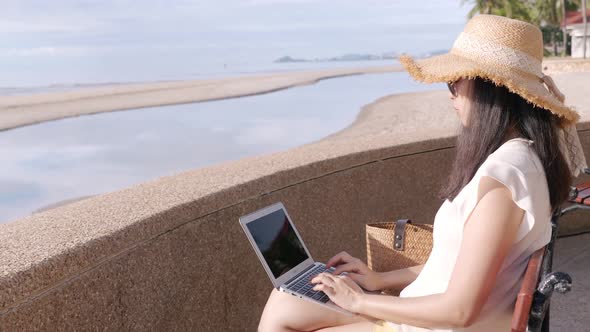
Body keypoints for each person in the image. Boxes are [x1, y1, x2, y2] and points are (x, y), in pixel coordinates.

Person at [257, 14, 587, 332]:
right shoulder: (522, 160)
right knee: (285, 301)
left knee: (283, 308)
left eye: (455, 81)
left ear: (489, 89)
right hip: (431, 314)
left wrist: (359, 301)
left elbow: (459, 310)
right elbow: (458, 264)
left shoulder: (504, 178)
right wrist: (378, 280)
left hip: (434, 324)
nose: (451, 93)